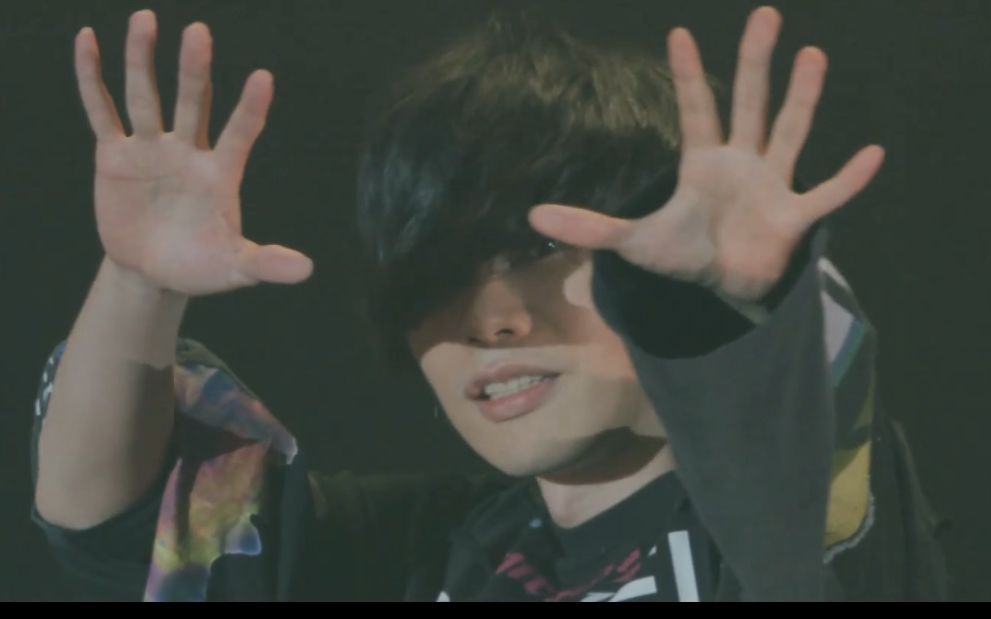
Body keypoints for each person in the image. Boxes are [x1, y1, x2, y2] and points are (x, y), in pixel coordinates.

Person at [31, 6, 947, 601]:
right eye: (437, 274)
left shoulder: (779, 521)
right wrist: (139, 284)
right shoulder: (420, 550)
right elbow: (114, 520)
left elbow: (804, 464)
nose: (490, 319)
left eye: (539, 250)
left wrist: (754, 300)